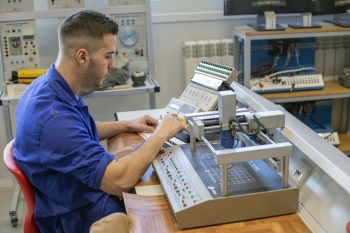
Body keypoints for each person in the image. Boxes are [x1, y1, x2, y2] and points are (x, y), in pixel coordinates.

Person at [13, 10, 183, 233]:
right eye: (107, 56)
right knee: (168, 216)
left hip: (73, 194)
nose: (113, 65)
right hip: (77, 216)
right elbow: (119, 180)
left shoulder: (48, 87)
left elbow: (78, 132)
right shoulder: (53, 119)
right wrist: (161, 134)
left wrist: (128, 124)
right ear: (82, 57)